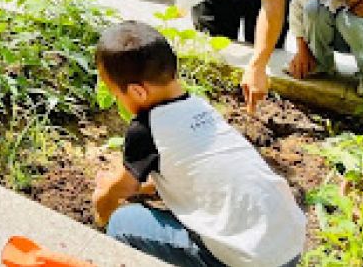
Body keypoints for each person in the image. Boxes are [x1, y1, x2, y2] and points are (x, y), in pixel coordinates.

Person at [92, 21, 305, 267]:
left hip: (248, 260)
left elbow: (120, 189)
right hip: (287, 244)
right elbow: (184, 172)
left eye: (116, 93)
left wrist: (102, 209)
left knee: (123, 222)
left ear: (138, 92)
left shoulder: (147, 128)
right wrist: (144, 188)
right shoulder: (200, 107)